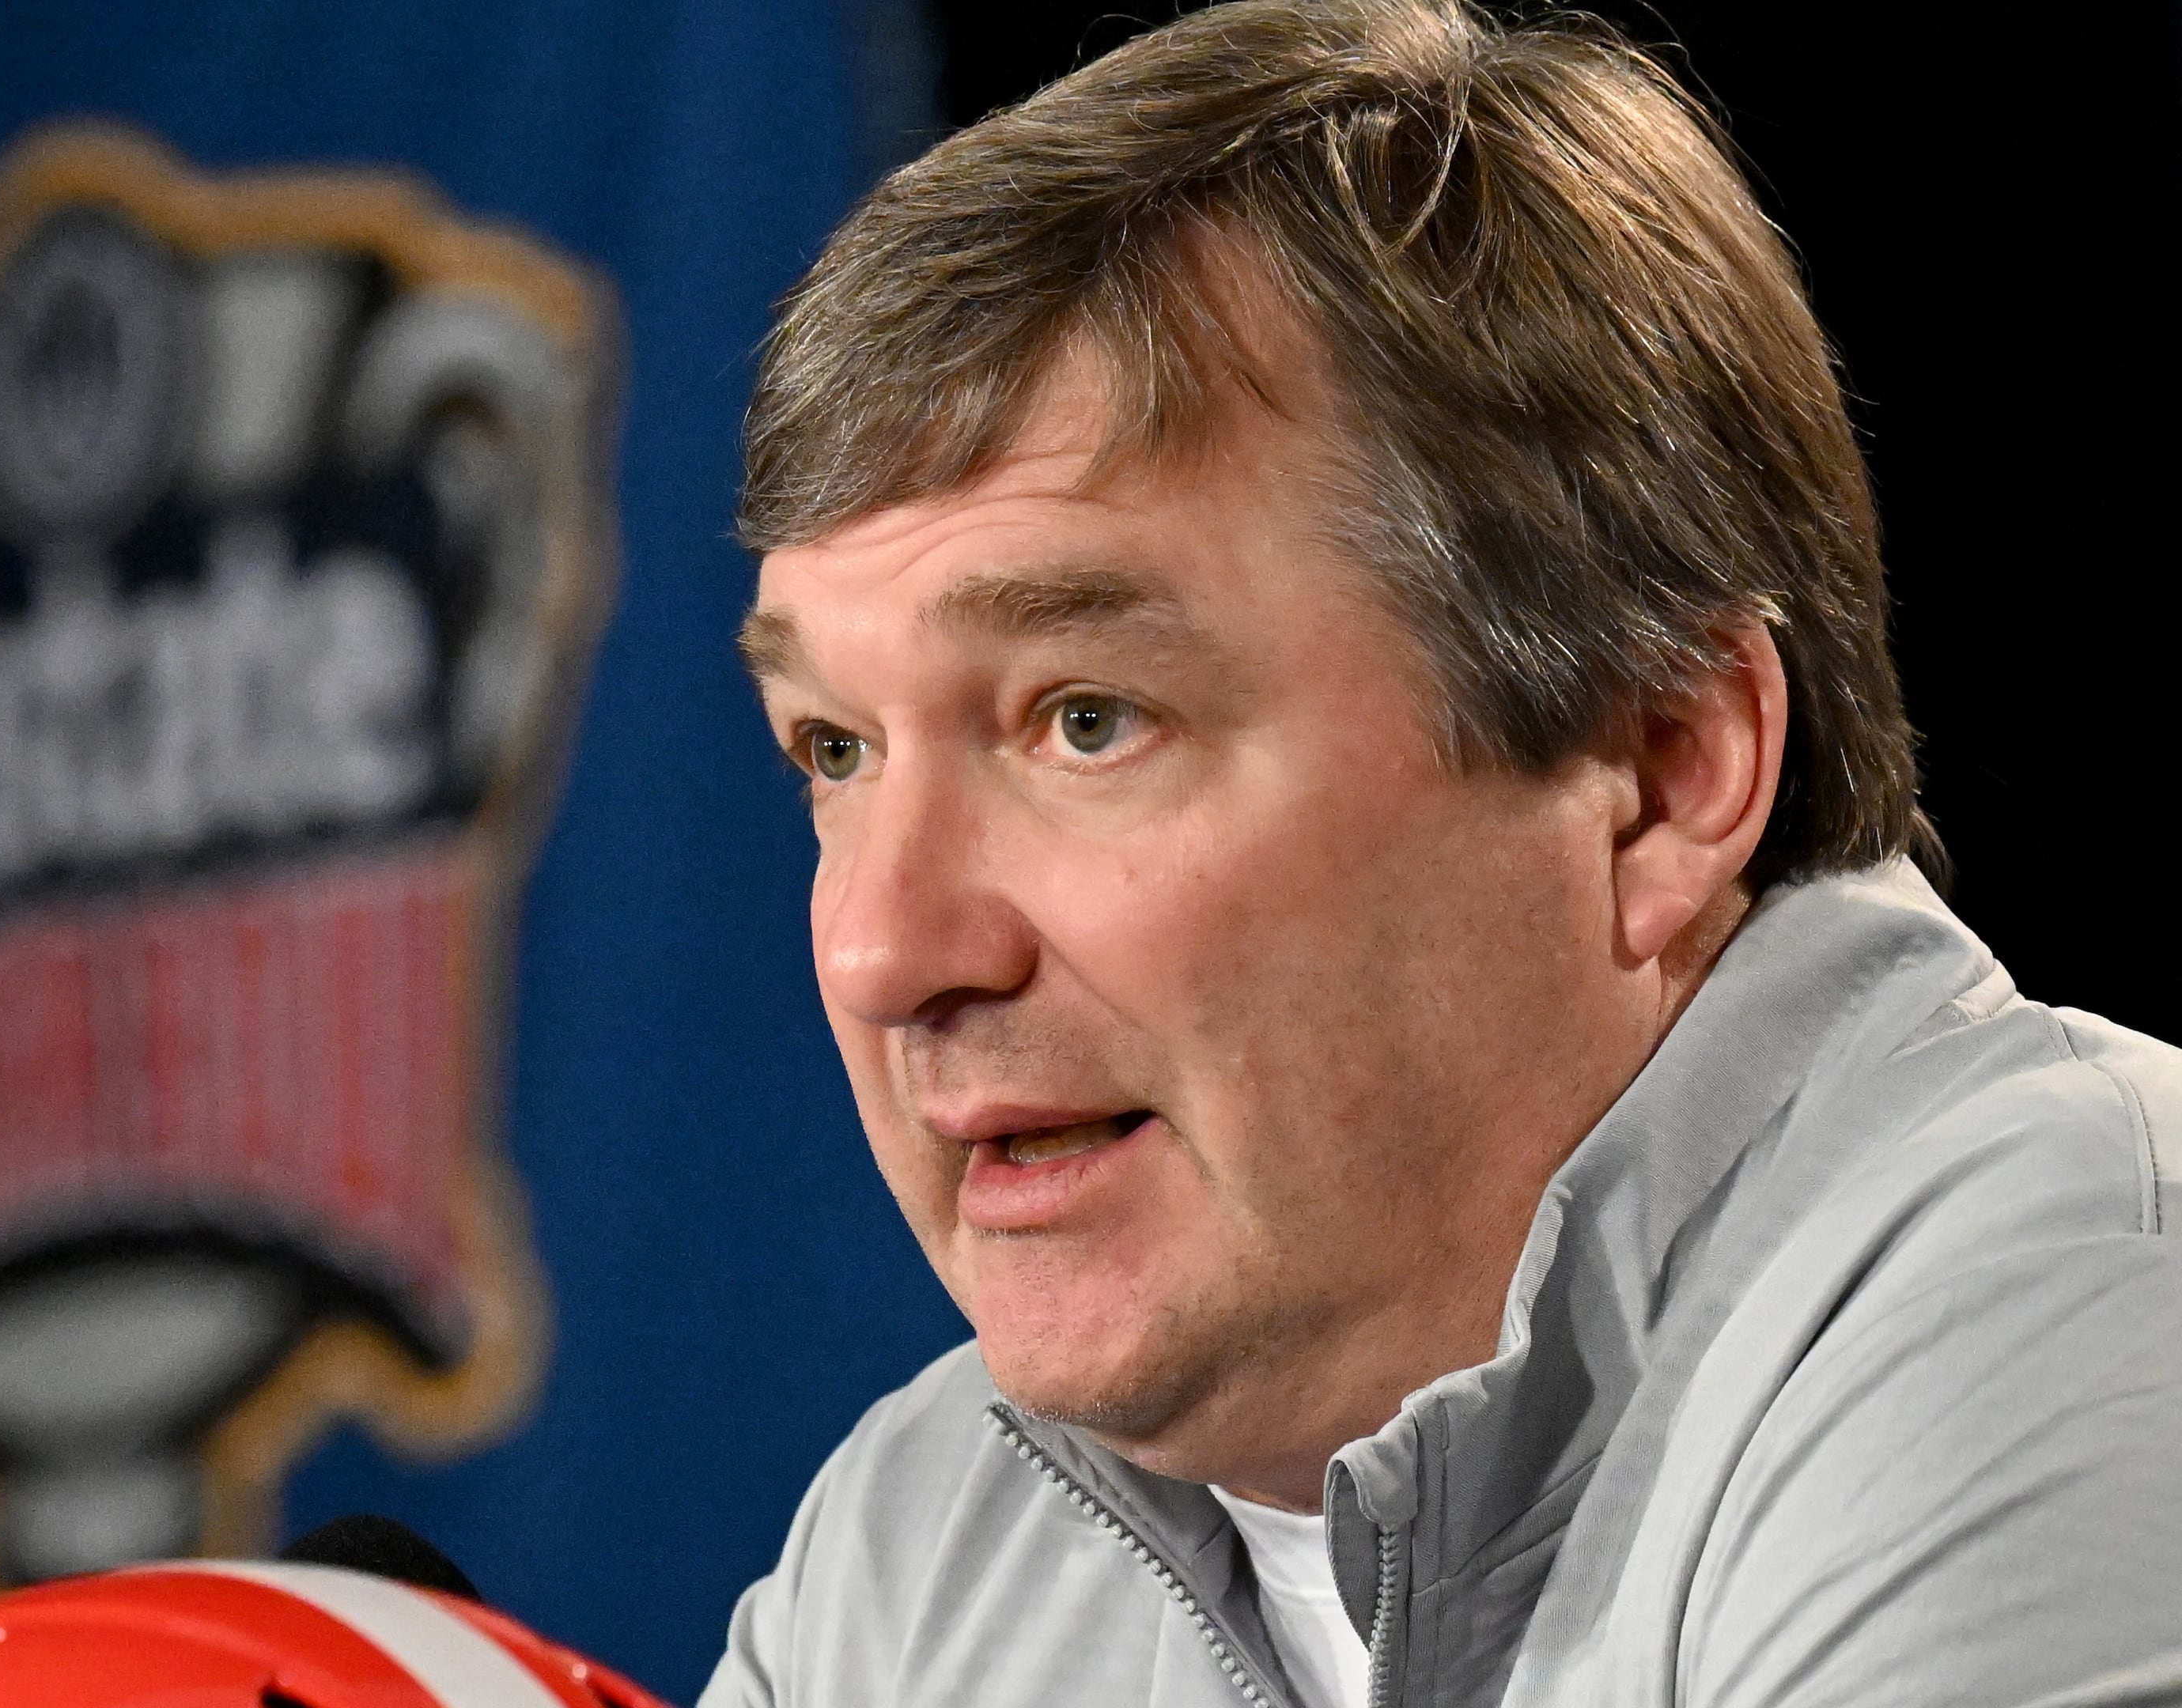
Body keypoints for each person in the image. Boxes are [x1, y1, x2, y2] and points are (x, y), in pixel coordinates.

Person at [701, 2, 2182, 1705]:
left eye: (1085, 720)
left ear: (1662, 773)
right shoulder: (927, 1537)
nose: (883, 950)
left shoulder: (2080, 1311)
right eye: (835, 750)